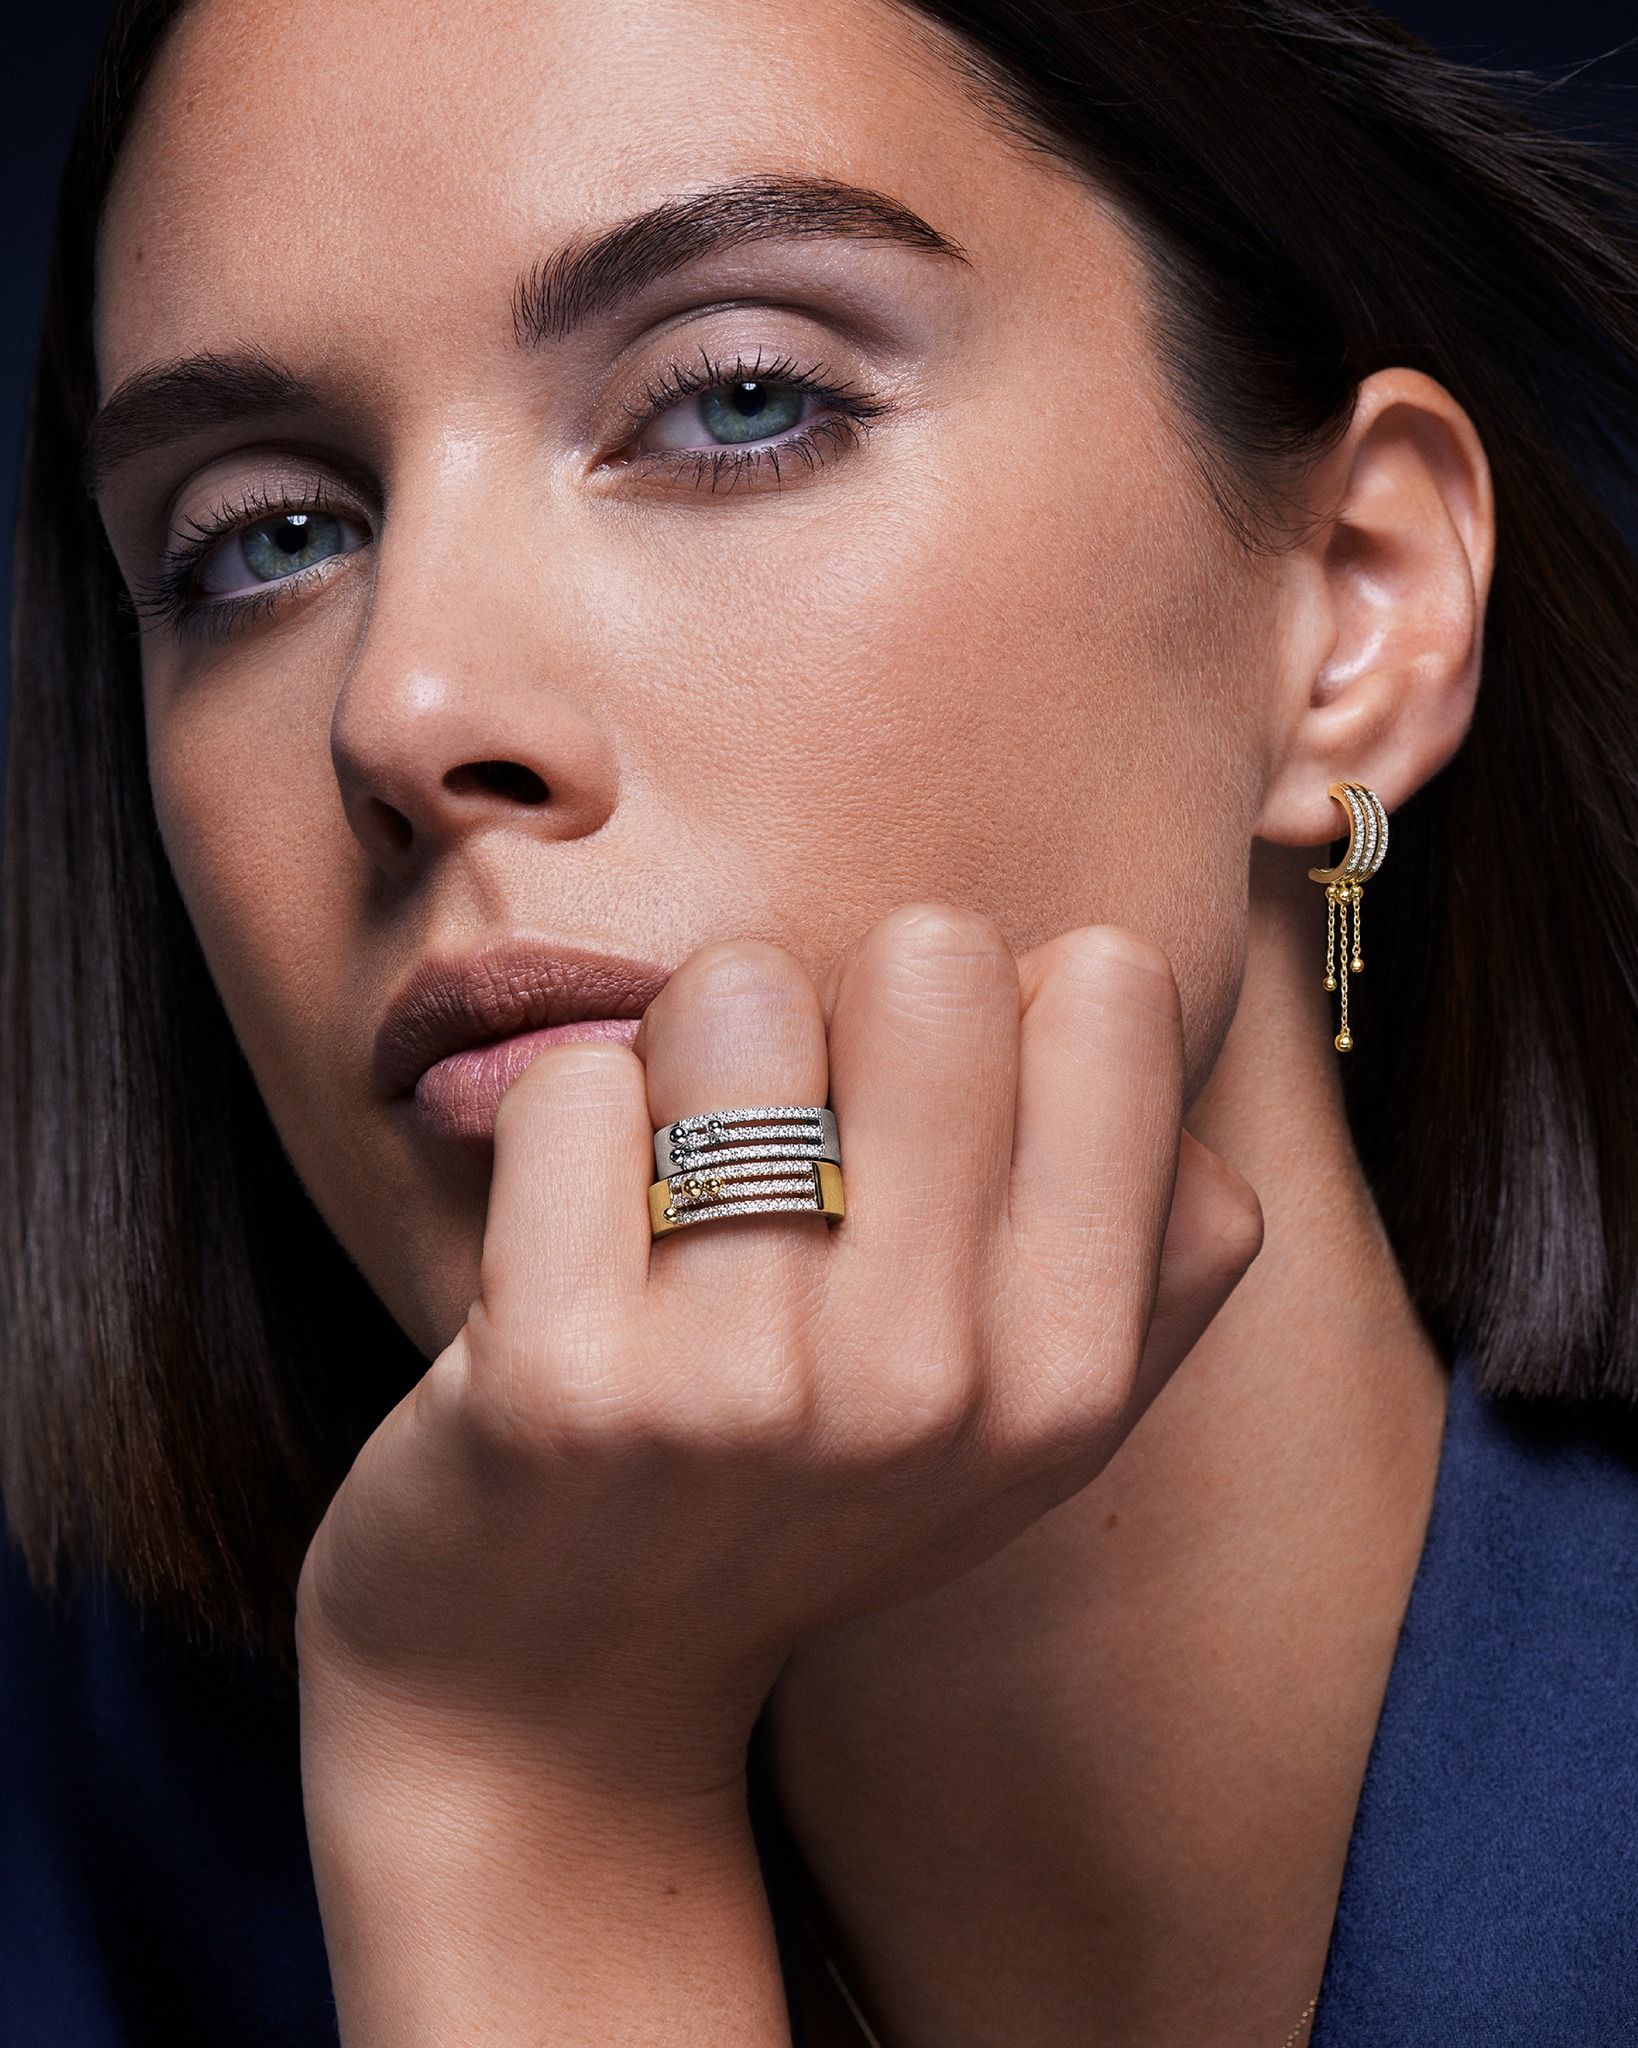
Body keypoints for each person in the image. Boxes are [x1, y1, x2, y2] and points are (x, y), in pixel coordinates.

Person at [3, 0, 1637, 2041]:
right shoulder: (99, 1875)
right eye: (268, 537)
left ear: (1356, 614)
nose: (405, 710)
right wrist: (515, 1780)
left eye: (737, 399)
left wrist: (540, 1801)